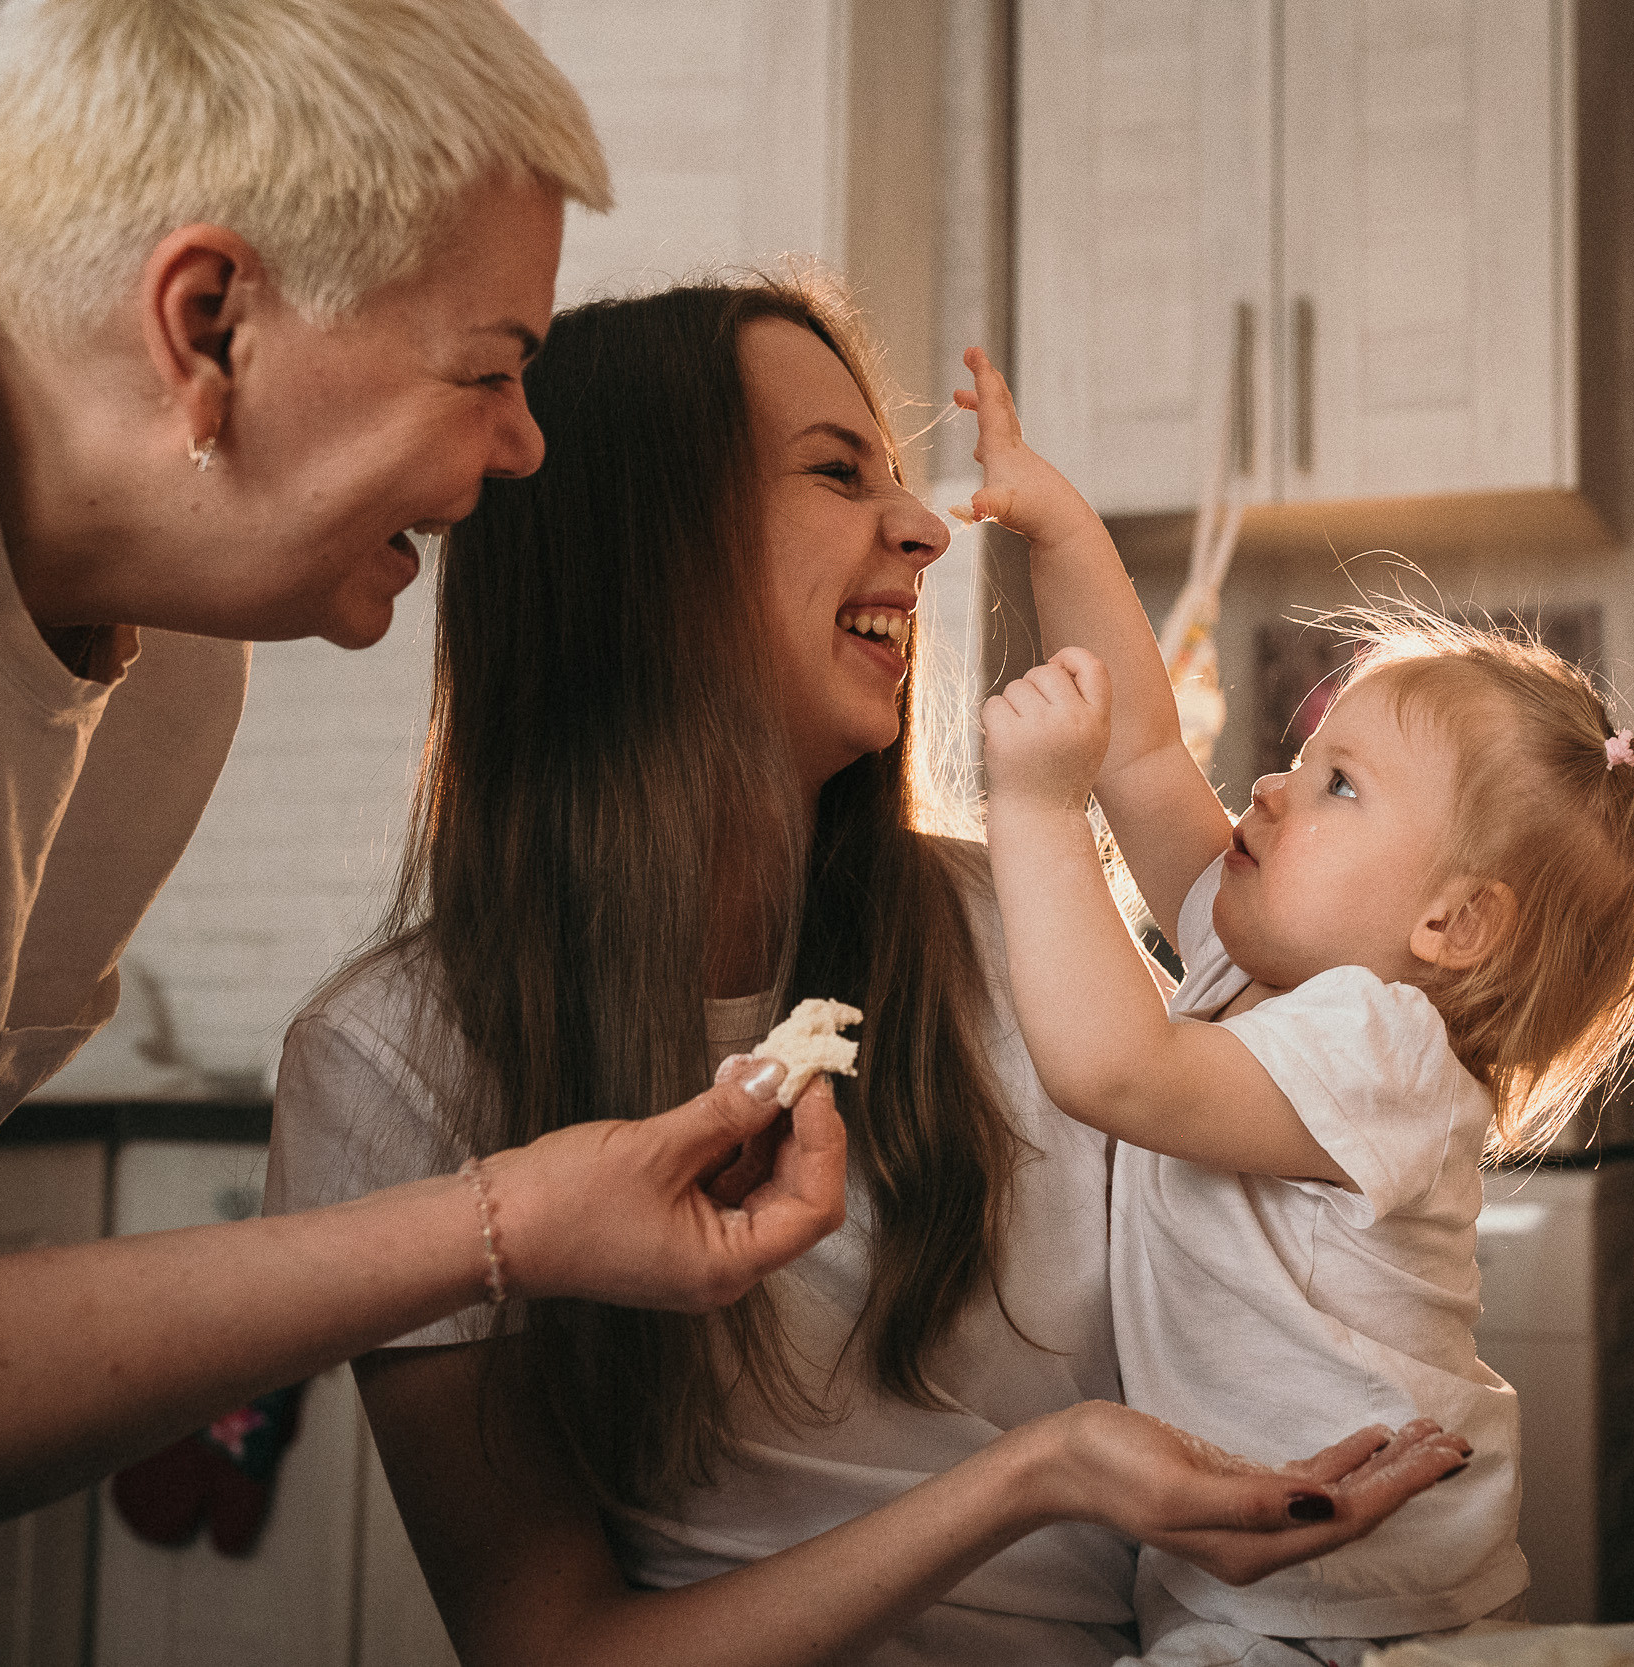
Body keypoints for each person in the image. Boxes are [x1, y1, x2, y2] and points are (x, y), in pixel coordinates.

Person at [0, 0, 848, 1581]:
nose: (528, 448)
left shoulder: (174, 668)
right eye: (489, 370)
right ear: (207, 327)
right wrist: (499, 1228)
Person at [265, 276, 1476, 1667]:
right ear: (646, 558)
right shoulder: (390, 1065)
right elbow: (551, 1650)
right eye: (838, 475)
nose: (924, 529)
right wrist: (1035, 1477)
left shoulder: (1020, 931)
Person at [961, 347, 1634, 1662]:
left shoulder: (1383, 1048)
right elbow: (1145, 751)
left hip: (1344, 1612)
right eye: (1302, 757)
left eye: (1338, 785)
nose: (1270, 785)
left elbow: (1113, 1071)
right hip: (1267, 1589)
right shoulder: (1259, 970)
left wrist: (1033, 802)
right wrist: (1056, 522)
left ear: (1452, 923)